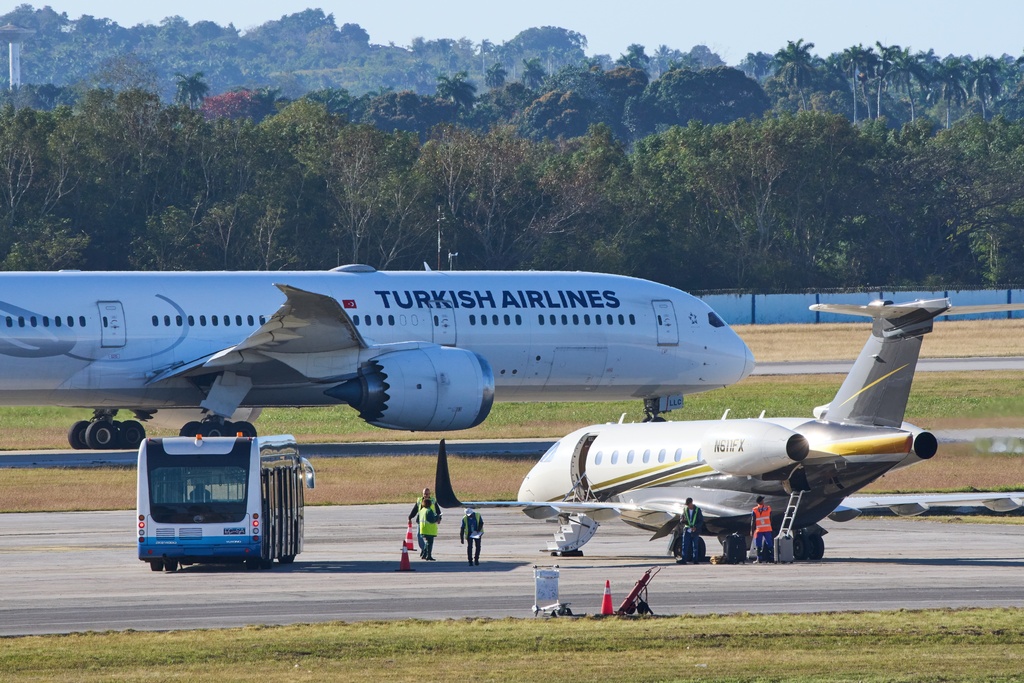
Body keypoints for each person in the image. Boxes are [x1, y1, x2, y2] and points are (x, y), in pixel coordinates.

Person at [408, 487, 441, 558]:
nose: (426, 495)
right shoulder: (420, 500)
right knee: (419, 536)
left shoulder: (433, 501)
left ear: (430, 494)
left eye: (427, 494)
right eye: (425, 494)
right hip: (421, 522)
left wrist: (439, 518)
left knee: (428, 539)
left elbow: (438, 511)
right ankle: (424, 549)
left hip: (429, 523)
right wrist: (410, 517)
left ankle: (425, 551)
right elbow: (415, 510)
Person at [676, 497, 704, 564]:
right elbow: (682, 517)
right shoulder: (685, 509)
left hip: (695, 530)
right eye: (687, 504)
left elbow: (701, 521)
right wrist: (682, 520)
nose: (688, 506)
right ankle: (684, 559)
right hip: (687, 529)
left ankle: (695, 560)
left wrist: (696, 527)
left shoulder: (697, 510)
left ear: (691, 503)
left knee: (695, 546)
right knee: (685, 545)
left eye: (689, 504)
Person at [751, 495, 774, 564]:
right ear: (761, 501)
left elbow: (753, 521)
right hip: (767, 529)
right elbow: (771, 518)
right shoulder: (768, 508)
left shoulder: (755, 510)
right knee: (769, 544)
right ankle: (771, 558)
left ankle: (759, 559)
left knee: (758, 545)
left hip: (759, 530)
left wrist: (752, 530)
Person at [417, 495, 440, 561]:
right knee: (429, 543)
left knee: (427, 543)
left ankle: (424, 554)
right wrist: (437, 518)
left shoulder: (421, 511)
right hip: (429, 530)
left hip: (423, 529)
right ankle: (428, 556)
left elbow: (417, 520)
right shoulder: (429, 511)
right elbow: (431, 520)